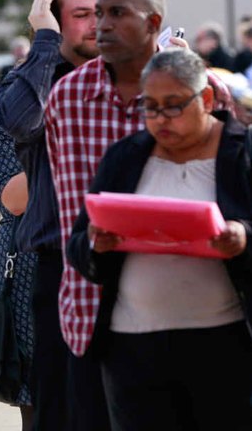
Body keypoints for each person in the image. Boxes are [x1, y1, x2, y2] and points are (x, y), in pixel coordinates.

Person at [44, 0, 231, 388]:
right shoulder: (68, 99)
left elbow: (237, 194)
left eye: (116, 13)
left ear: (153, 24)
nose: (101, 25)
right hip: (93, 314)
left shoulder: (207, 95)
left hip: (205, 319)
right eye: (96, 13)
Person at [67, 48, 252, 431]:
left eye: (172, 106)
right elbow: (78, 243)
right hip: (132, 349)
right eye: (150, 107)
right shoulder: (125, 156)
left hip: (224, 345)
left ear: (204, 99)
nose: (159, 119)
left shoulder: (242, 152)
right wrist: (96, 244)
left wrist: (243, 236)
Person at [0, 0, 109, 430]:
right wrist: (43, 43)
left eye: (105, 10)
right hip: (54, 265)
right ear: (53, 16)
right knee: (57, 411)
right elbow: (19, 120)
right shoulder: (31, 78)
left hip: (129, 263)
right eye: (81, 13)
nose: (97, 23)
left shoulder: (133, 75)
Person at [0, 110, 36, 429]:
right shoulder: (1, 119)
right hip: (25, 260)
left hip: (94, 252)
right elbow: (15, 200)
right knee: (35, 391)